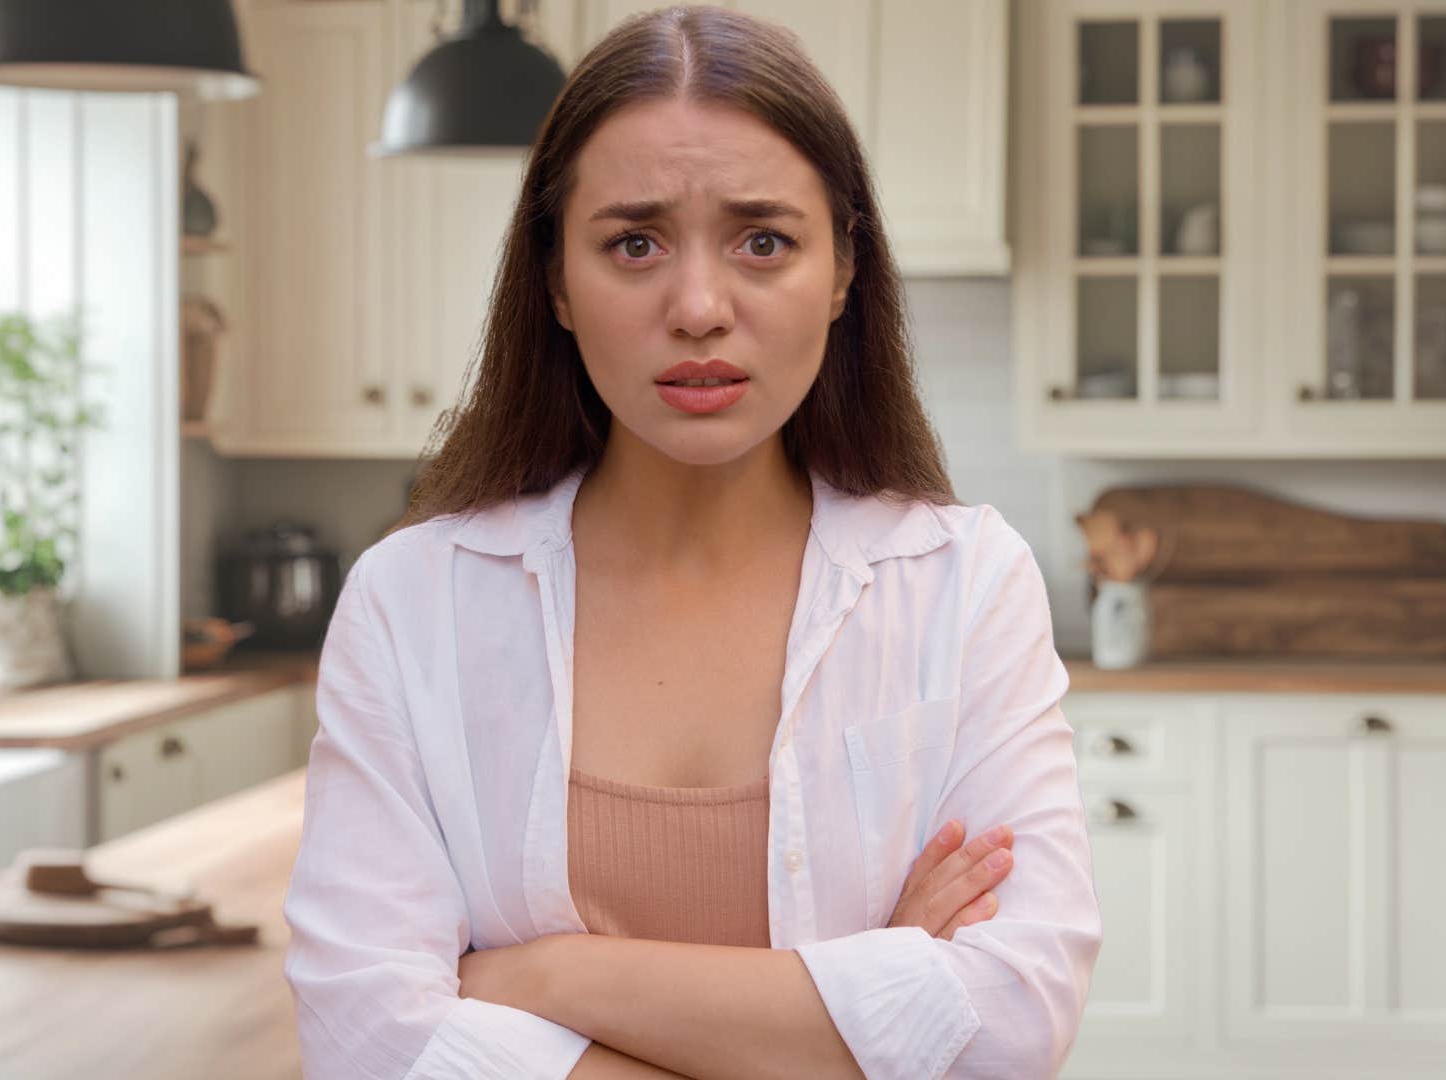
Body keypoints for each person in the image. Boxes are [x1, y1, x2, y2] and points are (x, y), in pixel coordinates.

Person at [282, 6, 1101, 1078]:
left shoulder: (962, 583)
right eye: (634, 243)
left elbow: (1011, 1019)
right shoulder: (411, 603)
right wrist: (865, 1012)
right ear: (556, 282)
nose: (700, 306)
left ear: (845, 270)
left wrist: (544, 976)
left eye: (764, 240)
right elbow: (367, 1044)